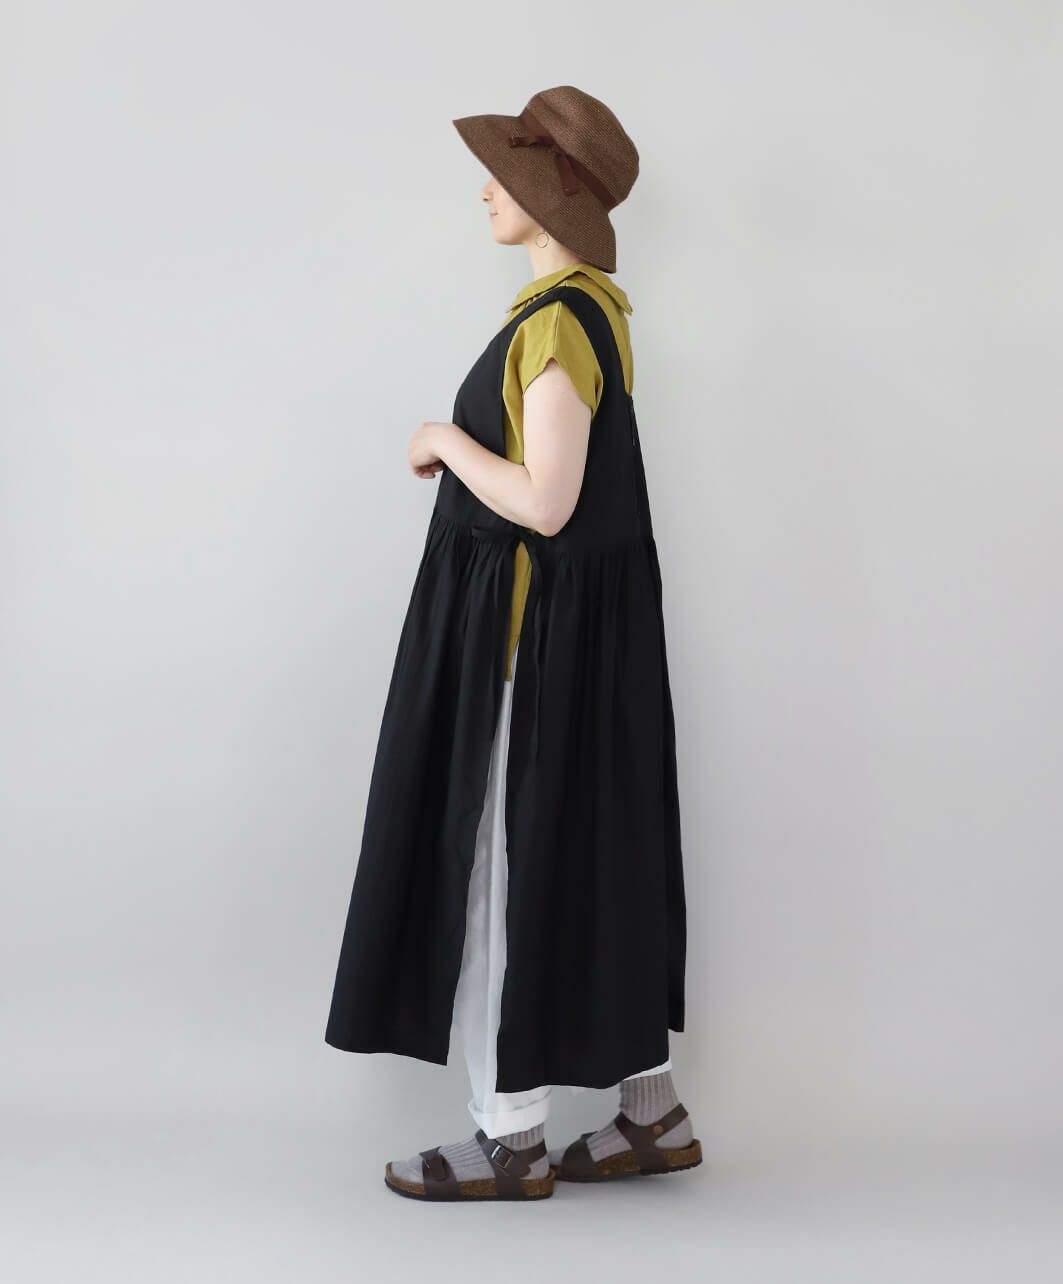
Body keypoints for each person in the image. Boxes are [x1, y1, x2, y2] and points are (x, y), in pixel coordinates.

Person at [325, 86, 698, 1201]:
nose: (486, 188)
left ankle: (511, 1136)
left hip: (529, 652)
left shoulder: (554, 324)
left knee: (498, 866)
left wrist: (443, 438)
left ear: (552, 194)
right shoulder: (594, 314)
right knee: (596, 856)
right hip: (583, 648)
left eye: (507, 172)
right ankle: (651, 1115)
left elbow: (545, 502)